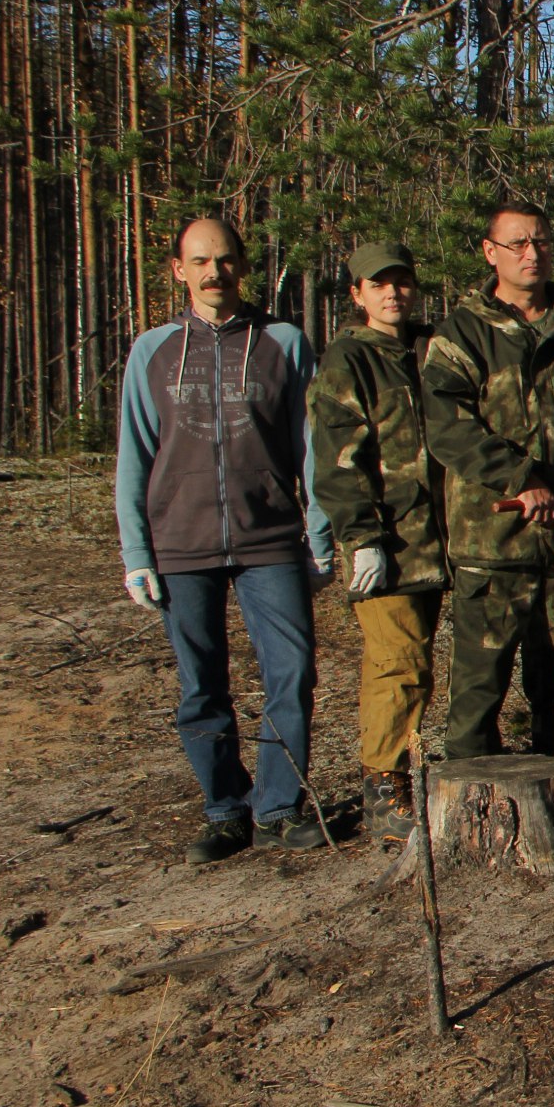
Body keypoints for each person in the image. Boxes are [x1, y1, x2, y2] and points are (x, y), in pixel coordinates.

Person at [116, 216, 335, 863]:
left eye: (226, 260)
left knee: (291, 674)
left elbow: (312, 448)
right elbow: (133, 456)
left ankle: (277, 806)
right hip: (179, 544)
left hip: (270, 539)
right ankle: (224, 807)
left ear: (243, 265)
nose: (215, 273)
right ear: (179, 270)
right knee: (199, 686)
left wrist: (318, 535)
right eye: (201, 261)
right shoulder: (151, 352)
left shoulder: (284, 343)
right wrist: (136, 555)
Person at [423, 201, 554, 761]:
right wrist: (519, 478)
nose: (531, 253)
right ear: (490, 252)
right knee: (479, 680)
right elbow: (448, 425)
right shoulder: (463, 332)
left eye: (540, 241)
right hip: (495, 541)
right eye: (517, 243)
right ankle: (471, 802)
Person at [307, 240, 444, 845]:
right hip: (389, 544)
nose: (394, 294)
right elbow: (338, 461)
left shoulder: (431, 348)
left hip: (447, 539)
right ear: (358, 294)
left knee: (435, 668)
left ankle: (425, 772)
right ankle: (384, 790)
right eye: (379, 284)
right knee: (397, 665)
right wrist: (361, 536)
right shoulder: (347, 360)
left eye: (403, 283)